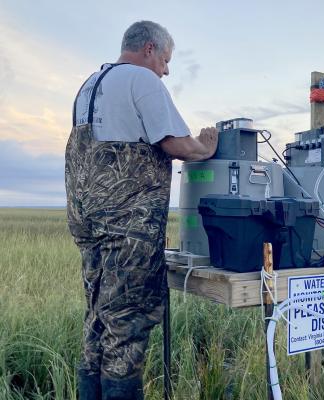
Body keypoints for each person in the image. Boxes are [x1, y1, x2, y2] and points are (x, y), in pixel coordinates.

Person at [65, 21, 217, 400]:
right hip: (127, 227)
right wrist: (206, 147)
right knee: (127, 327)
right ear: (149, 49)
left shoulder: (89, 86)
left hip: (89, 223)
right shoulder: (141, 79)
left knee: (98, 319)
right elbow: (175, 143)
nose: (166, 70)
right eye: (165, 60)